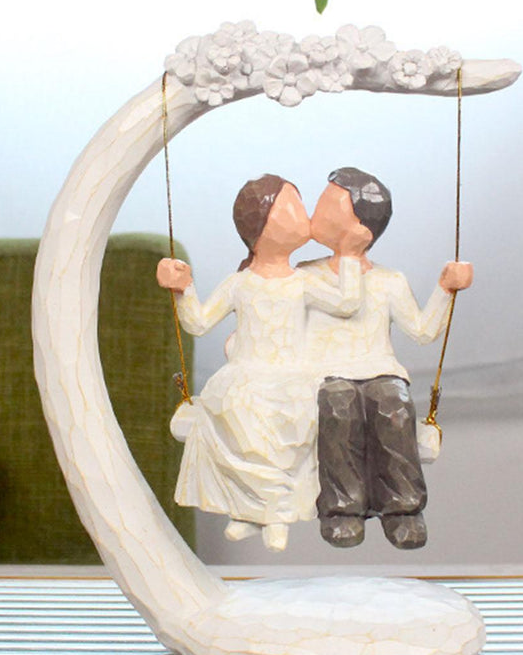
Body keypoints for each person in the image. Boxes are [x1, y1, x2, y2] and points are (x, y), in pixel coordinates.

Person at [156, 174, 369, 552]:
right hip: (247, 375)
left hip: (291, 376)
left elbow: (346, 303)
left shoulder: (300, 281)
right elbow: (199, 323)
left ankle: (276, 514)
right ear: (262, 225)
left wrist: (350, 258)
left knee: (289, 423)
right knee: (238, 419)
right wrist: (183, 289)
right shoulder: (241, 283)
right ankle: (250, 510)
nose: (305, 215)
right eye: (294, 208)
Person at [303, 167, 473, 550]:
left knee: (393, 405)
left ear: (361, 231)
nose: (314, 213)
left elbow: (422, 331)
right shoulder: (305, 275)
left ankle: (403, 507)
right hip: (327, 374)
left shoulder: (388, 281)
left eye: (327, 209)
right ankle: (342, 508)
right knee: (338, 406)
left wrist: (445, 290)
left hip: (379, 369)